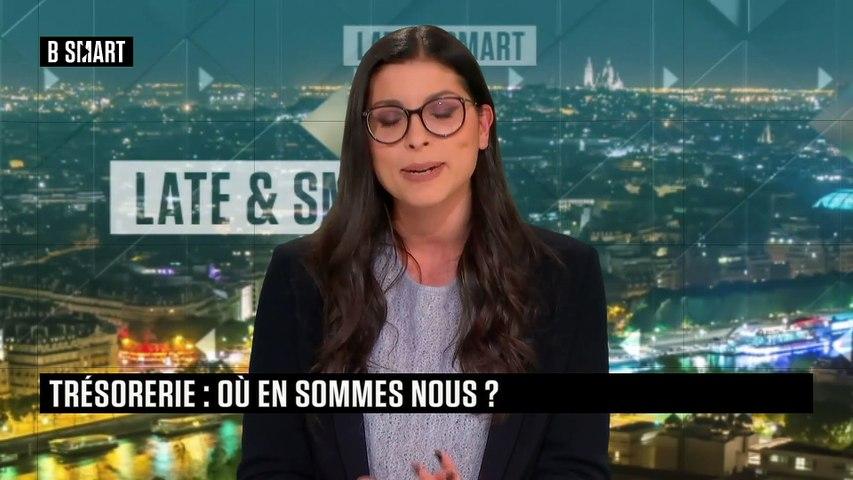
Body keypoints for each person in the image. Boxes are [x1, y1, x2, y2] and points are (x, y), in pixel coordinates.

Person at [238, 25, 610, 480]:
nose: (417, 138)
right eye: (390, 119)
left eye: (442, 112)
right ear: (366, 141)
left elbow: (577, 469)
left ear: (483, 127)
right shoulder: (301, 277)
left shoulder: (565, 276)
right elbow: (267, 468)